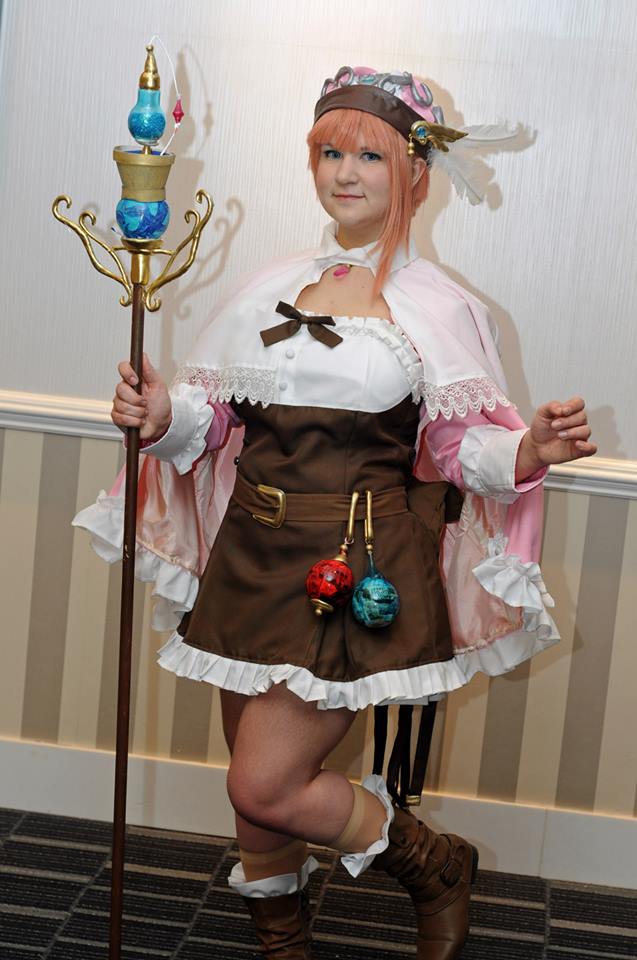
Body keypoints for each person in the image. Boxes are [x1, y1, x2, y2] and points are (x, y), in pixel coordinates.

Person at [75, 66, 596, 960]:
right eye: (328, 154)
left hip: (351, 563)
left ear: (415, 173)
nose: (344, 173)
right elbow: (212, 423)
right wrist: (161, 416)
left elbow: (458, 451)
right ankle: (281, 939)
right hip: (251, 548)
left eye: (369, 156)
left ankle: (432, 865)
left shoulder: (439, 307)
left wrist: (529, 450)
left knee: (265, 782)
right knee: (252, 782)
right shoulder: (270, 284)